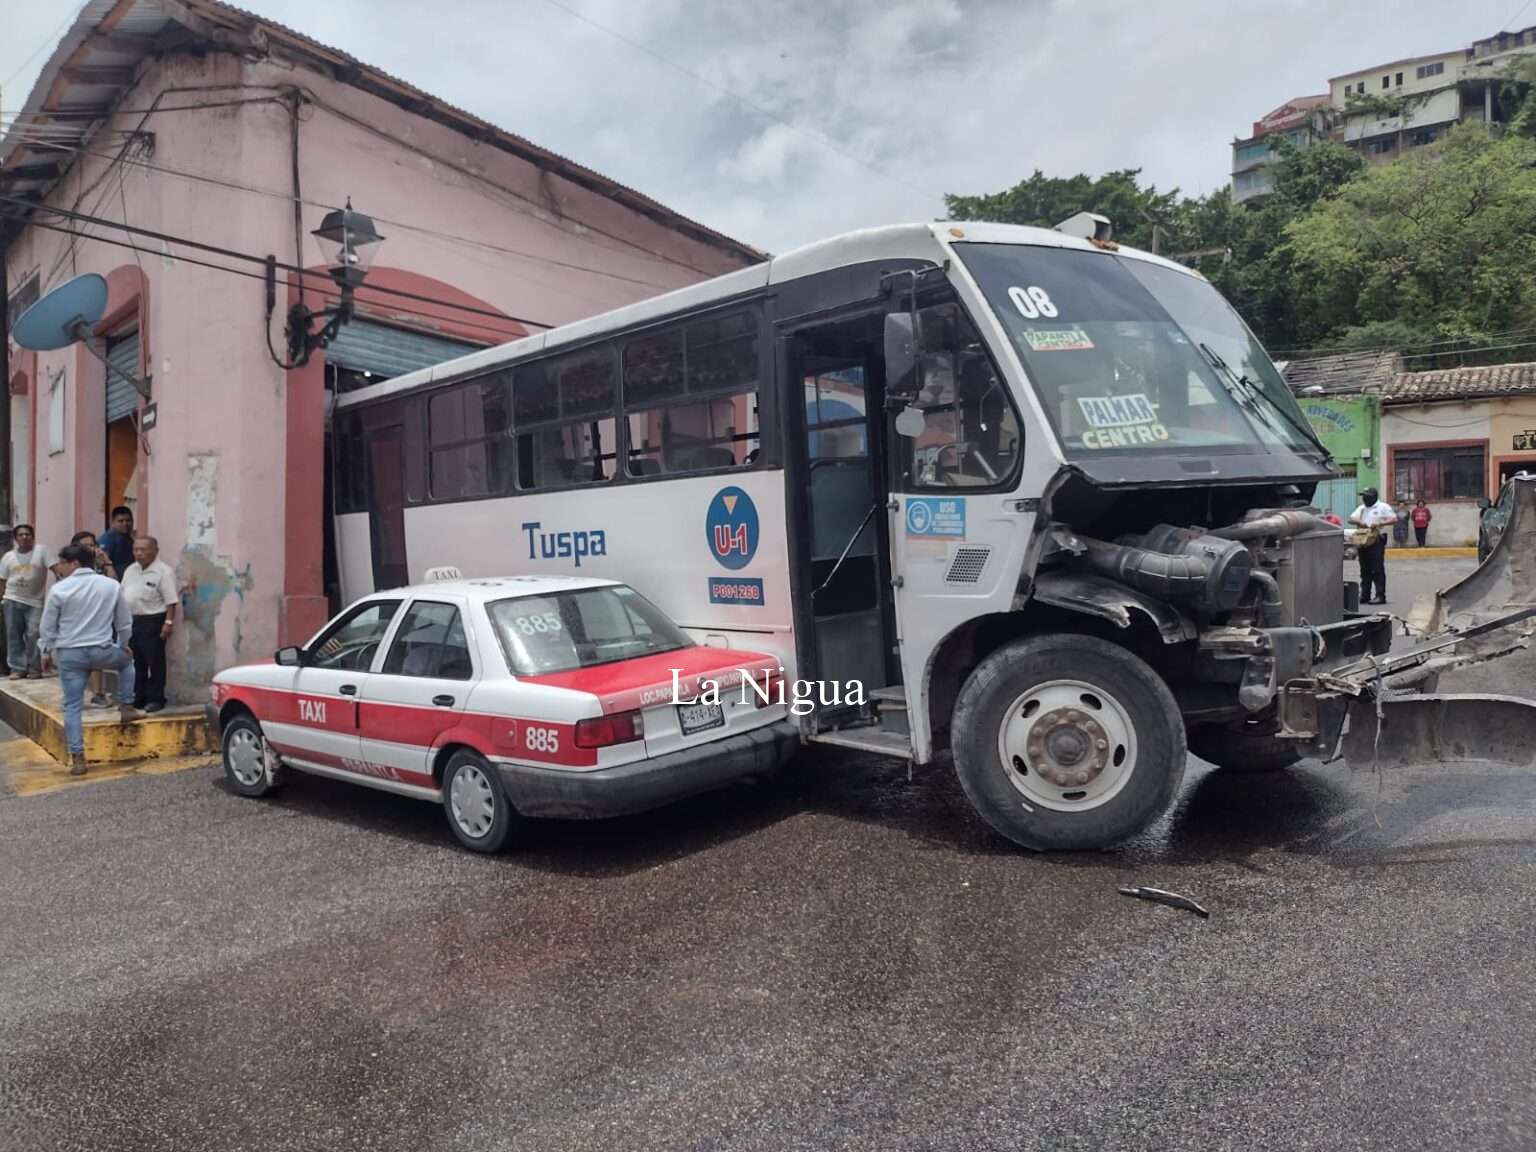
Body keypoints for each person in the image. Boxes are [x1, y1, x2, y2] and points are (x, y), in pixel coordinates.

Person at [39, 543, 138, 775]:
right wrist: (124, 646)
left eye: (62, 563)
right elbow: (124, 623)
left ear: (74, 563)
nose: (60, 568)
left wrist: (45, 651)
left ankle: (78, 757)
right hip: (101, 650)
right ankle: (127, 705)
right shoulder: (111, 585)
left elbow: (47, 626)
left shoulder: (59, 590)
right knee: (127, 662)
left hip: (69, 654)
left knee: (72, 707)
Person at [121, 535, 177, 713]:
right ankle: (139, 696)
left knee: (155, 661)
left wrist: (168, 623)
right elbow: (123, 594)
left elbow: (171, 601)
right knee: (136, 661)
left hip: (153, 620)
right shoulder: (131, 570)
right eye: (136, 550)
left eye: (143, 550)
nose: (139, 553)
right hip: (132, 620)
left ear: (155, 551)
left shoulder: (163, 571)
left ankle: (156, 698)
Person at [63, 531, 118, 707]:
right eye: (87, 545)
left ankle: (98, 693)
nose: (91, 548)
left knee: (96, 656)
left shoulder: (99, 565)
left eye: (93, 544)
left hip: (98, 616)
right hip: (75, 618)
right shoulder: (70, 564)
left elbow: (114, 583)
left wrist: (107, 562)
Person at [0, 525, 51, 679]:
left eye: (27, 534)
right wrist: (1, 597)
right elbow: (2, 580)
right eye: (21, 535)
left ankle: (34, 668)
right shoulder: (8, 556)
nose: (24, 537)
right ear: (16, 539)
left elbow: (55, 568)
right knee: (13, 634)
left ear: (33, 536)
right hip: (12, 599)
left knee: (33, 634)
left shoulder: (41, 551)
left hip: (35, 601)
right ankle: (17, 668)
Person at [1349, 487, 1397, 605]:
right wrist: (1359, 522)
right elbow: (1351, 518)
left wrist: (1380, 523)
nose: (1364, 498)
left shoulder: (1382, 507)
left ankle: (1380, 595)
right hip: (1364, 540)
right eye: (1363, 496)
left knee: (1377, 569)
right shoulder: (1362, 508)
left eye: (1366, 496)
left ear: (1373, 497)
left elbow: (1394, 519)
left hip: (1376, 540)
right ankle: (1365, 595)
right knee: (1364, 569)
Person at [98, 506, 135, 582]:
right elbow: (101, 560)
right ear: (113, 522)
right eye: (120, 521)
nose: (125, 524)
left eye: (128, 520)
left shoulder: (128, 537)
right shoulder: (108, 538)